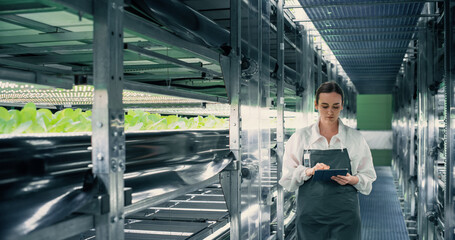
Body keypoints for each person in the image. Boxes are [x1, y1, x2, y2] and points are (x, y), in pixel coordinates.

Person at [279, 81, 377, 240]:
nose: (330, 112)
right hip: (310, 218)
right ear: (316, 105)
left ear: (342, 106)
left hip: (345, 218)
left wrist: (353, 179)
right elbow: (288, 178)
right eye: (325, 106)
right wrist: (308, 171)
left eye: (335, 106)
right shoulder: (301, 137)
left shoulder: (355, 139)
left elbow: (368, 175)